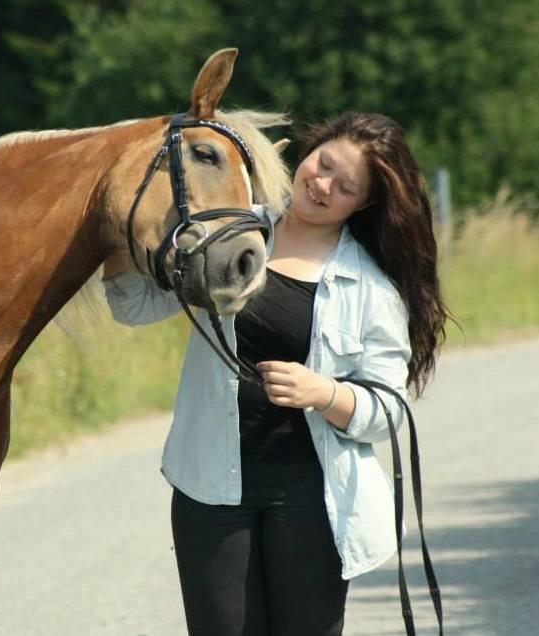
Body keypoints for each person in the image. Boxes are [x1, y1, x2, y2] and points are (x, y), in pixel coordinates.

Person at [102, 112, 449, 636]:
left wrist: (325, 393)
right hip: (211, 488)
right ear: (308, 152)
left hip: (313, 497)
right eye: (323, 164)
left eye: (345, 186)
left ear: (362, 205)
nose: (322, 184)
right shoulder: (229, 234)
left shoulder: (370, 288)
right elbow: (133, 305)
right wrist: (116, 229)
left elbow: (387, 410)